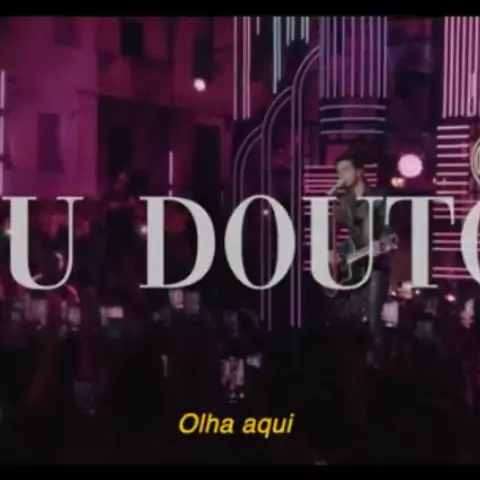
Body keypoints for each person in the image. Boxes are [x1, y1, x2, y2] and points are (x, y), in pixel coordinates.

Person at [329, 148, 395, 368]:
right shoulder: (343, 202)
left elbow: (390, 231)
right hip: (354, 265)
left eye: (346, 170)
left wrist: (382, 242)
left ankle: (378, 365)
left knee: (373, 318)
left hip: (376, 265)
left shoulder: (379, 197)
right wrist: (332, 251)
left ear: (359, 171)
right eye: (339, 172)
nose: (342, 175)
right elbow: (329, 230)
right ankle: (354, 365)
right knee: (350, 317)